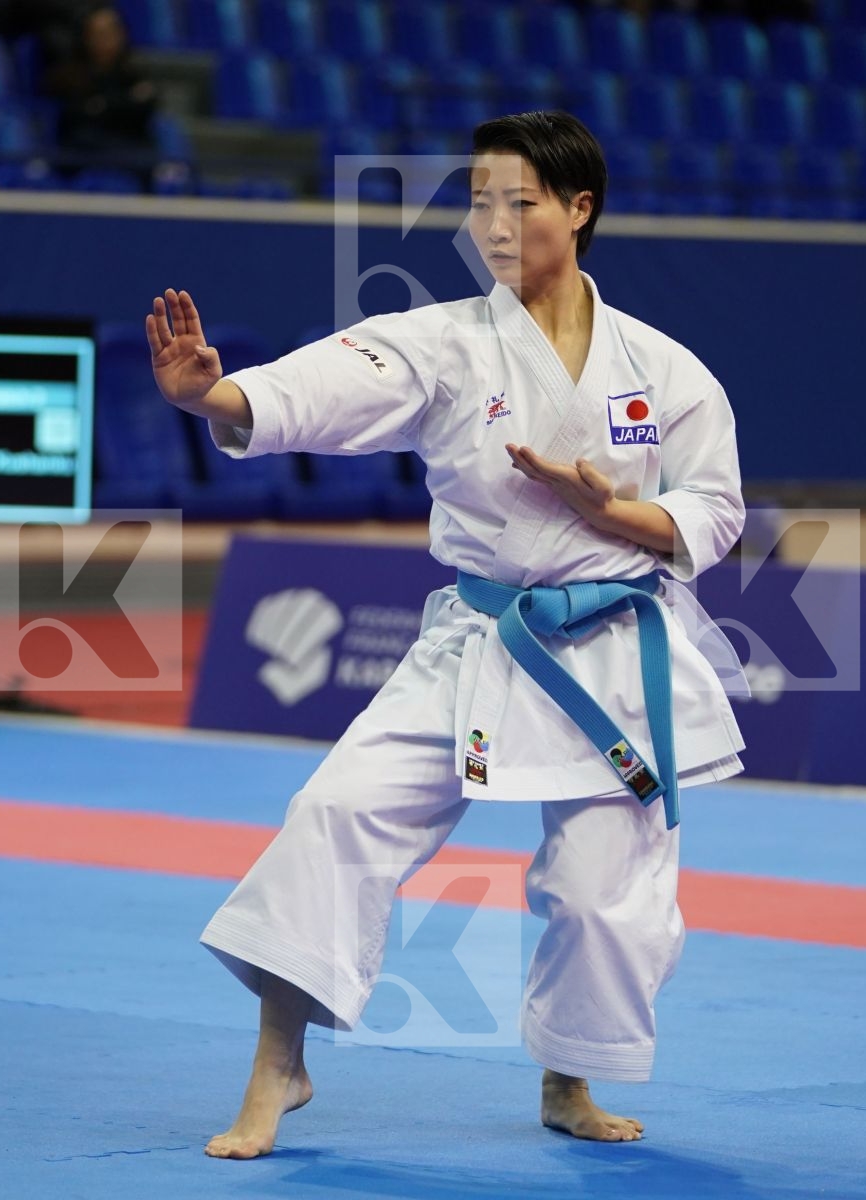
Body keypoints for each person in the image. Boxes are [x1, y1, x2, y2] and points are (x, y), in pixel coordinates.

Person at [146, 110, 749, 1159]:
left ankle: (569, 1078)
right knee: (333, 811)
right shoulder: (445, 342)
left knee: (605, 897)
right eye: (478, 200)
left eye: (519, 200)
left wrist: (611, 514)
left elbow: (717, 509)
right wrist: (219, 397)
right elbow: (327, 387)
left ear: (578, 209)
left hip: (611, 648)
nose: (495, 222)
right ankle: (279, 1065)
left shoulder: (666, 367)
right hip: (480, 636)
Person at [49, 5, 157, 165]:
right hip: (84, 155)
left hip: (131, 150)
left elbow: (146, 109)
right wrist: (126, 101)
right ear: (86, 38)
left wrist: (103, 105)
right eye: (100, 34)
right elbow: (74, 119)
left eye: (113, 32)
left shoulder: (132, 74)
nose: (108, 39)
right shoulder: (69, 76)